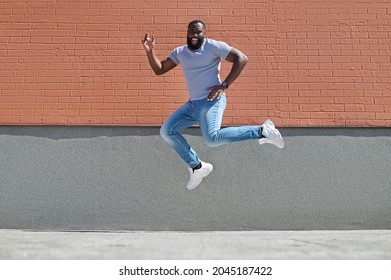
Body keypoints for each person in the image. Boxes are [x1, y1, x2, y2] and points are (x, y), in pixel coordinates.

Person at [142, 20, 284, 190]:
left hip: (211, 100)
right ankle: (198, 167)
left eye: (198, 32)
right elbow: (160, 70)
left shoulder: (213, 46)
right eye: (191, 31)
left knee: (211, 139)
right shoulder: (180, 52)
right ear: (187, 32)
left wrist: (224, 85)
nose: (194, 35)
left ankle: (263, 131)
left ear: (204, 33)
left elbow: (241, 59)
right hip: (193, 104)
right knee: (167, 131)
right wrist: (150, 52)